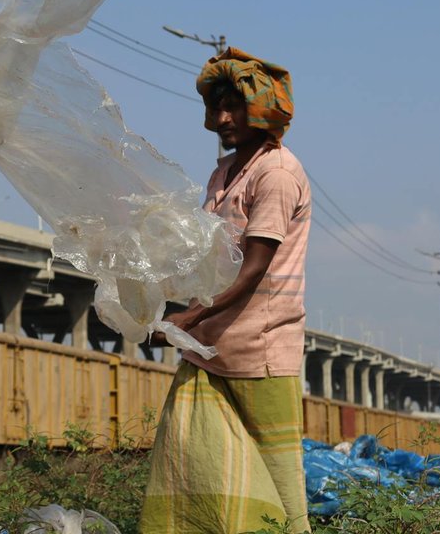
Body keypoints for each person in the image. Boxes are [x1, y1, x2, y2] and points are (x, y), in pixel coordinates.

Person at [141, 48, 311, 534]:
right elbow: (209, 259)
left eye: (234, 107)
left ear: (262, 111)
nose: (221, 119)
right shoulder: (225, 173)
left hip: (259, 354)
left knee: (279, 490)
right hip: (208, 351)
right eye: (216, 108)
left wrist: (188, 319)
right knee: (195, 472)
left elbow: (253, 268)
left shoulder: (276, 174)